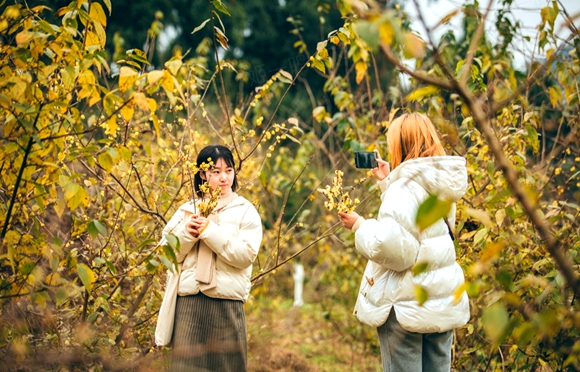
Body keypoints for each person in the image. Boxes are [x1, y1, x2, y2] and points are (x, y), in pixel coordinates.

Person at [337, 112, 470, 372]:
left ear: (401, 144)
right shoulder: (440, 182)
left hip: (406, 305)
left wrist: (360, 226)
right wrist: (388, 182)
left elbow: (395, 251)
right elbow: (419, 229)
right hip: (441, 301)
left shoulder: (404, 189)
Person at [155, 144, 263, 372]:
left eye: (229, 170)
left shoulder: (245, 210)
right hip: (189, 305)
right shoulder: (186, 210)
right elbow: (166, 255)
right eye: (215, 171)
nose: (224, 178)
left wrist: (209, 231)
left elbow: (245, 256)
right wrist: (187, 233)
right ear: (203, 174)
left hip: (226, 305)